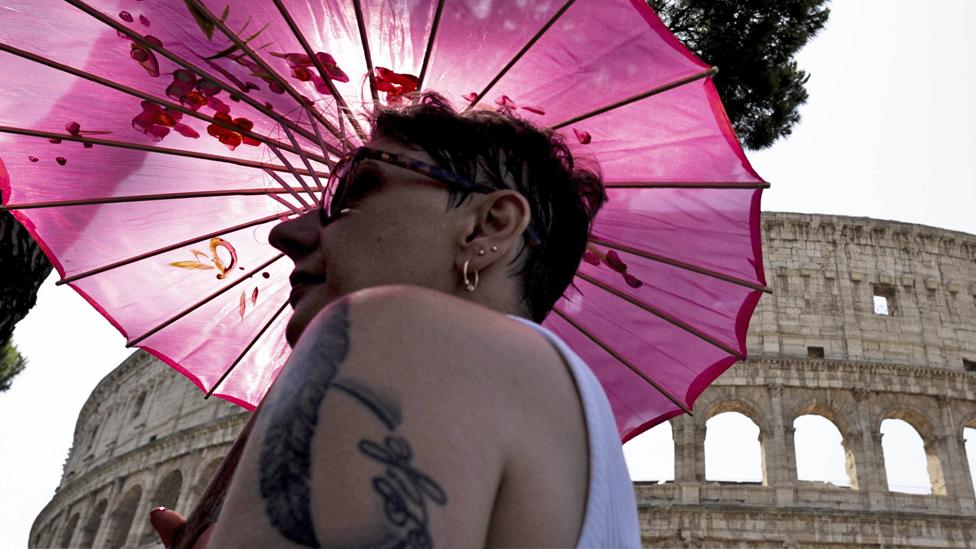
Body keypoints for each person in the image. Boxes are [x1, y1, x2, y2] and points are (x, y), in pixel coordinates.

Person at [149, 94, 641, 548]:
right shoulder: (573, 447)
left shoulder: (402, 326)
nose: (288, 231)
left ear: (487, 226)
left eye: (354, 191)